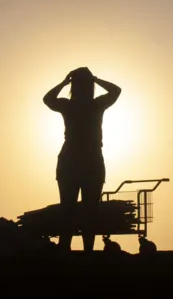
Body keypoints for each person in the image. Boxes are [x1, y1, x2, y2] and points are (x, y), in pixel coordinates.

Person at [43, 67, 121, 252]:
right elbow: (116, 90)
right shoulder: (96, 105)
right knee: (90, 211)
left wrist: (64, 82)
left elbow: (47, 99)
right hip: (90, 160)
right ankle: (87, 251)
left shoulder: (69, 106)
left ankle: (65, 249)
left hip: (72, 161)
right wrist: (97, 79)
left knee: (68, 209)